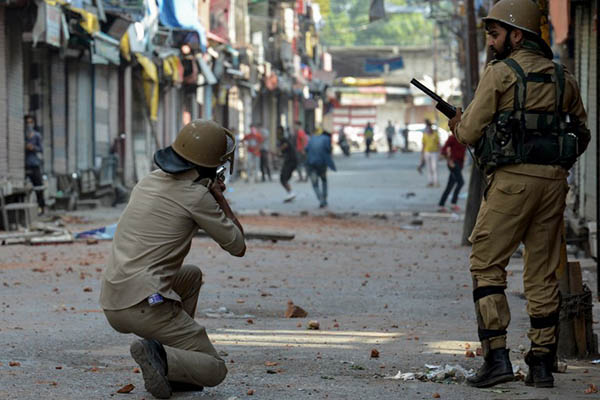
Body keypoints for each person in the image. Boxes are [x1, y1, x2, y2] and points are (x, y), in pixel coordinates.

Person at [448, 0, 590, 389]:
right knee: (542, 272)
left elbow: (471, 132)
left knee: (485, 262)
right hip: (554, 184)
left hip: (512, 183)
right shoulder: (564, 77)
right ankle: (542, 364)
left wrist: (457, 124)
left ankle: (497, 360)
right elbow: (582, 130)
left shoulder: (500, 74)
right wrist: (555, 163)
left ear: (517, 34)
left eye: (495, 34)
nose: (491, 43)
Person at [100, 120, 246, 399]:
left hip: (114, 299)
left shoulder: (148, 180)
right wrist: (218, 198)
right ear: (212, 165)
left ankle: (177, 369)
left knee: (190, 276)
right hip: (145, 304)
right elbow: (238, 245)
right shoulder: (196, 196)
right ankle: (162, 357)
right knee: (215, 369)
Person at [305, 128, 336, 208]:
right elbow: (329, 150)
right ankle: (324, 199)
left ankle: (321, 199)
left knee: (315, 184)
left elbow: (306, 149)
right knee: (324, 181)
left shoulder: (312, 139)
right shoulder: (327, 139)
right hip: (322, 164)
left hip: (311, 164)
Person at [437, 134, 466, 212]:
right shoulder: (453, 137)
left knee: (450, 184)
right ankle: (453, 203)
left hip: (459, 164)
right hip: (454, 164)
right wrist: (449, 161)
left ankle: (441, 205)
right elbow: (443, 150)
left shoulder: (464, 137)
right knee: (461, 182)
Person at [24, 114, 45, 215]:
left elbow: (41, 149)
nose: (29, 125)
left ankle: (41, 207)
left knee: (39, 187)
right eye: (27, 123)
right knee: (25, 189)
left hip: (35, 165)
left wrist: (33, 148)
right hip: (25, 166)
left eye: (31, 122)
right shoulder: (23, 135)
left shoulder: (37, 135)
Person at [276, 126, 297, 202]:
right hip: (290, 161)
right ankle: (290, 193)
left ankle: (291, 193)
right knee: (284, 179)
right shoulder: (282, 140)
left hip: (291, 161)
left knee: (283, 178)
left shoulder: (283, 139)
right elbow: (283, 153)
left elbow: (285, 145)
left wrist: (278, 150)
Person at [420, 119, 440, 187]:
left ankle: (436, 181)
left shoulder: (435, 134)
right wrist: (422, 155)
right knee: (429, 168)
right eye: (427, 127)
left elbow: (438, 144)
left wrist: (440, 153)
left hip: (434, 152)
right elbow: (423, 145)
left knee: (434, 168)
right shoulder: (425, 135)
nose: (428, 128)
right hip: (427, 152)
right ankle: (430, 181)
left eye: (429, 127)